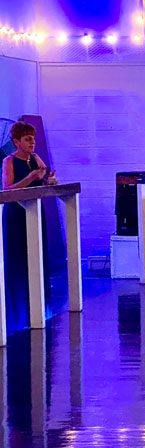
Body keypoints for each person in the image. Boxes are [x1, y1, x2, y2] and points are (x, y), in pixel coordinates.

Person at [2, 121, 57, 331]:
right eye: (27, 139)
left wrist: (47, 181)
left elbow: (40, 179)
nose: (32, 142)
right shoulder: (9, 161)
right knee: (18, 259)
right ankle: (19, 313)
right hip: (17, 214)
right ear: (17, 142)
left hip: (34, 211)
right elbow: (7, 189)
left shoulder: (35, 158)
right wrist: (31, 177)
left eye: (33, 138)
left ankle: (41, 308)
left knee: (38, 257)